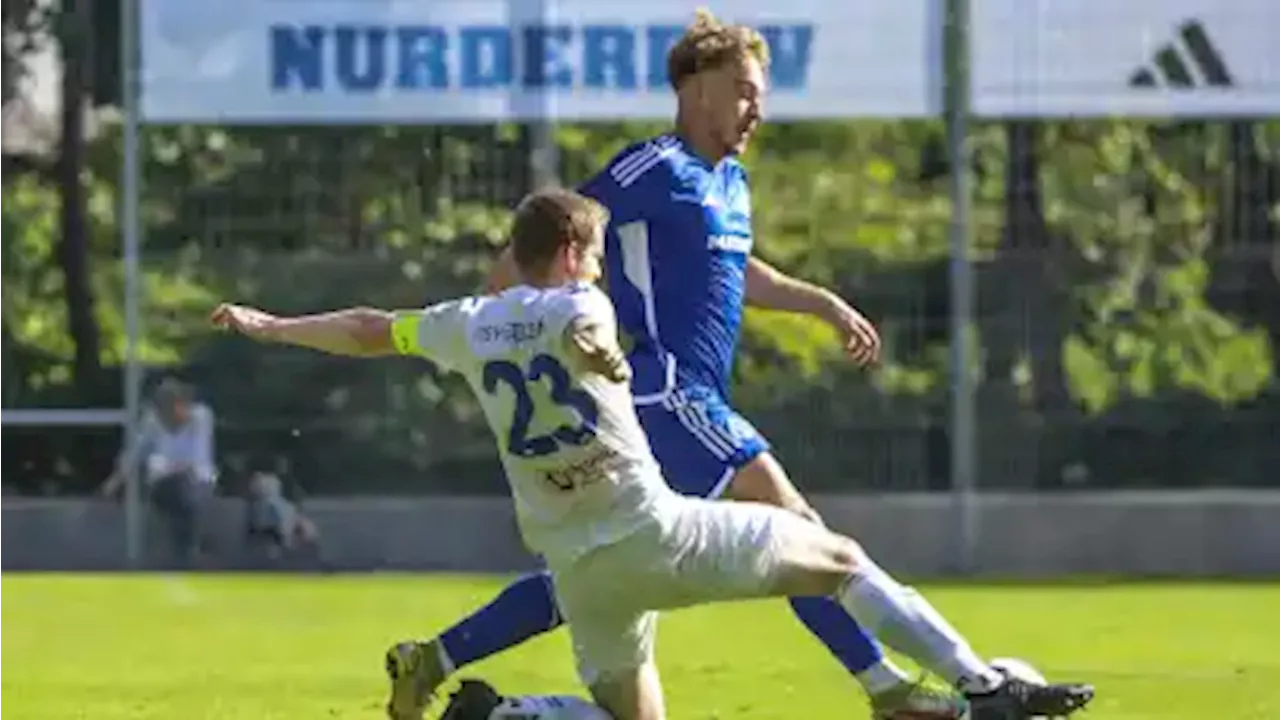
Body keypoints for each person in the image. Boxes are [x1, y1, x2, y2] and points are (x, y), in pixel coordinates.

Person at [211, 188, 1094, 720]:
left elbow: (369, 328)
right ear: (568, 253)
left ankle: (502, 713)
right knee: (838, 557)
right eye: (592, 256)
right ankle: (981, 688)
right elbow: (587, 325)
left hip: (580, 572)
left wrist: (271, 326)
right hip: (657, 532)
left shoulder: (465, 325)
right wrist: (603, 353)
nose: (597, 272)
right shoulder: (573, 307)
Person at [431, 9, 967, 719]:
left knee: (595, 567)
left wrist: (823, 304)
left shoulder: (729, 183)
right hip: (666, 389)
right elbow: (547, 242)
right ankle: (888, 688)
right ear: (695, 88)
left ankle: (446, 665)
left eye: (761, 93)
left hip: (680, 399)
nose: (757, 108)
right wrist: (504, 324)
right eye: (743, 89)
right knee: (797, 526)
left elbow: (738, 272)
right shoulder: (653, 167)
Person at [99, 376, 218, 567]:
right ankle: (189, 549)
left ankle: (189, 548)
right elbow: (136, 453)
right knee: (179, 490)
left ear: (182, 404)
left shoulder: (201, 417)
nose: (169, 419)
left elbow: (198, 458)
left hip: (198, 483)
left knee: (189, 492)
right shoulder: (153, 421)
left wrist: (185, 470)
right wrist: (116, 480)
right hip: (165, 483)